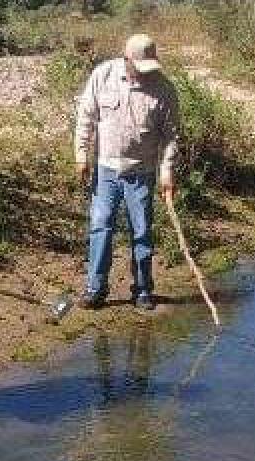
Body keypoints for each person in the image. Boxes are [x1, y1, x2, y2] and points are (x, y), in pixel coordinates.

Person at [74, 33, 180, 311]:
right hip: (106, 168)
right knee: (101, 226)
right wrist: (81, 155)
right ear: (126, 60)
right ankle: (95, 289)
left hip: (142, 172)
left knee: (142, 232)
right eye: (140, 66)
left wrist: (167, 172)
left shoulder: (164, 89)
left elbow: (171, 136)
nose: (145, 73)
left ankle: (143, 290)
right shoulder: (103, 75)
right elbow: (86, 116)